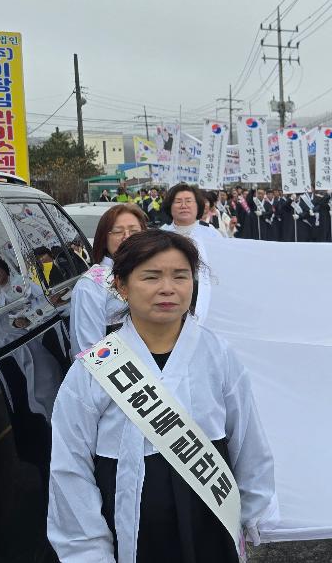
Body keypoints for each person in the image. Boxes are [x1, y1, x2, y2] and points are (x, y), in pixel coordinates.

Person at [48, 230, 277, 563]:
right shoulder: (95, 367)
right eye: (151, 277)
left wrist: (254, 510)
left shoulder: (217, 353)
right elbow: (70, 467)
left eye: (180, 276)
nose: (168, 288)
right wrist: (86, 550)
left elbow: (248, 439)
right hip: (133, 527)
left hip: (210, 517)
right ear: (122, 286)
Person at [69, 204, 147, 354]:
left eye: (134, 231)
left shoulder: (155, 275)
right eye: (118, 231)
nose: (127, 236)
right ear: (104, 238)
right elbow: (89, 350)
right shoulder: (91, 285)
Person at [160, 184, 222, 321]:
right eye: (178, 201)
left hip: (204, 296)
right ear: (169, 206)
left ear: (198, 205)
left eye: (188, 201)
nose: (183, 205)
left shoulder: (212, 234)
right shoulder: (160, 234)